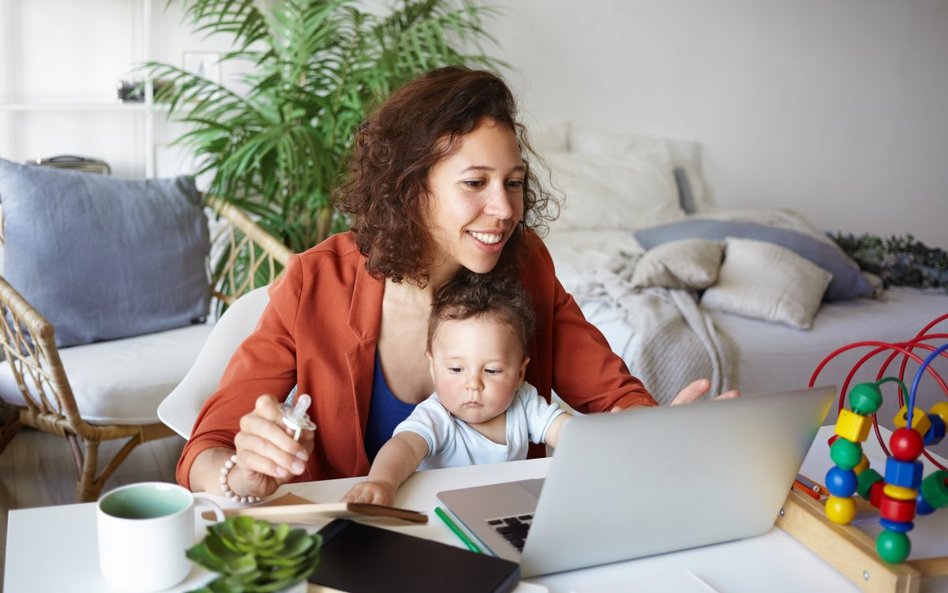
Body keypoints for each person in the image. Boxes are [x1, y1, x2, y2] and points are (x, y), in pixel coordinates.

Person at [178, 66, 736, 502]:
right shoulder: (316, 281)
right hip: (354, 546)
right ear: (410, 187)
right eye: (475, 182)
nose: (504, 209)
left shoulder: (528, 267)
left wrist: (659, 431)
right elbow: (205, 451)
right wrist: (241, 474)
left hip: (494, 535)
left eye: (513, 183)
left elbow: (613, 397)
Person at [343, 272, 571, 506]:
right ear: (433, 367)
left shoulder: (524, 403)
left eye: (491, 371)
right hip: (439, 515)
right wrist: (382, 482)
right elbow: (405, 447)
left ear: (520, 373)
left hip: (500, 512)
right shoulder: (438, 416)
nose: (473, 384)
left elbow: (567, 431)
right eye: (455, 369)